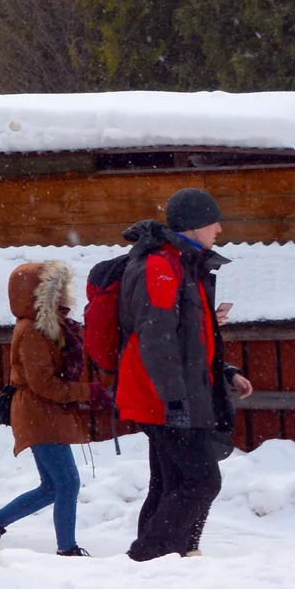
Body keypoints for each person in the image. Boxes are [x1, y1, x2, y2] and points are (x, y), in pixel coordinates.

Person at [106, 189, 250, 561]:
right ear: (195, 224)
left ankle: (177, 556)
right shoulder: (160, 265)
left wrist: (225, 373)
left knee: (171, 482)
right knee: (201, 480)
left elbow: (187, 337)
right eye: (213, 220)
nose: (219, 228)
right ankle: (148, 555)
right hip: (164, 397)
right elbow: (156, 338)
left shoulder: (183, 264)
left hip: (173, 393)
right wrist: (175, 400)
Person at [0, 260, 100, 556]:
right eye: (54, 290)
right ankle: (67, 548)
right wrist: (88, 392)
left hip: (46, 412)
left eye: (62, 289)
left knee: (52, 487)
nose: (62, 296)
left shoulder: (51, 327)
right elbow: (43, 384)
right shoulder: (33, 331)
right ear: (38, 295)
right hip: (39, 413)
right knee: (67, 482)